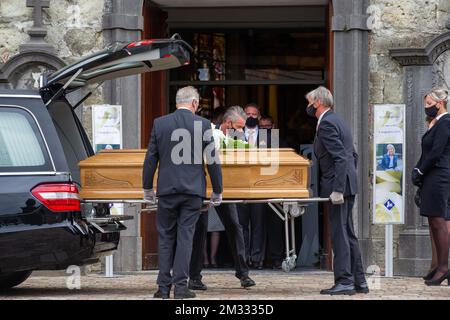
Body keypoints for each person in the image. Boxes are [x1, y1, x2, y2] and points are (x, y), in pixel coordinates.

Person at [142, 86, 223, 299]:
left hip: (167, 190)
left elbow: (151, 158)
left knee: (165, 237)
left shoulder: (160, 123)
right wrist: (217, 190)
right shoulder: (204, 124)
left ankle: (162, 288)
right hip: (192, 191)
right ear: (195, 103)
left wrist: (147, 187)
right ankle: (180, 287)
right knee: (185, 237)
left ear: (177, 102)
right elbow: (212, 160)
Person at [306, 86, 368, 295]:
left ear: (318, 102)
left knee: (339, 233)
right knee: (348, 232)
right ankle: (359, 281)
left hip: (337, 186)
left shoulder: (327, 124)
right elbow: (353, 156)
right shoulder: (337, 120)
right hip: (345, 183)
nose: (308, 106)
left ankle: (344, 280)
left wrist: (338, 189)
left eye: (310, 102)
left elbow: (341, 157)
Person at [189, 106, 256, 291]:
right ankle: (194, 277)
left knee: (234, 226)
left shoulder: (237, 138)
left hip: (226, 187)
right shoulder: (208, 131)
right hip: (203, 186)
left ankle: (243, 273)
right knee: (200, 229)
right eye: (239, 127)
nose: (241, 131)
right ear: (228, 124)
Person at [412, 88, 450, 286]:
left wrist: (420, 171)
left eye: (429, 104)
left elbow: (436, 152)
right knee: (434, 221)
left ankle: (443, 267)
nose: (426, 108)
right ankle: (438, 266)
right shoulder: (436, 123)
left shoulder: (446, 122)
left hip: (440, 175)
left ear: (439, 104)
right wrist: (418, 169)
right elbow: (427, 152)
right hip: (432, 175)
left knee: (439, 221)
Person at [237, 103, 267, 269]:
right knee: (241, 225)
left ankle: (257, 258)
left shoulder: (268, 135)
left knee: (258, 224)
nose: (250, 116)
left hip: (260, 185)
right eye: (247, 113)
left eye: (254, 114)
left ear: (259, 117)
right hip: (240, 184)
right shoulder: (235, 135)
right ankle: (243, 258)